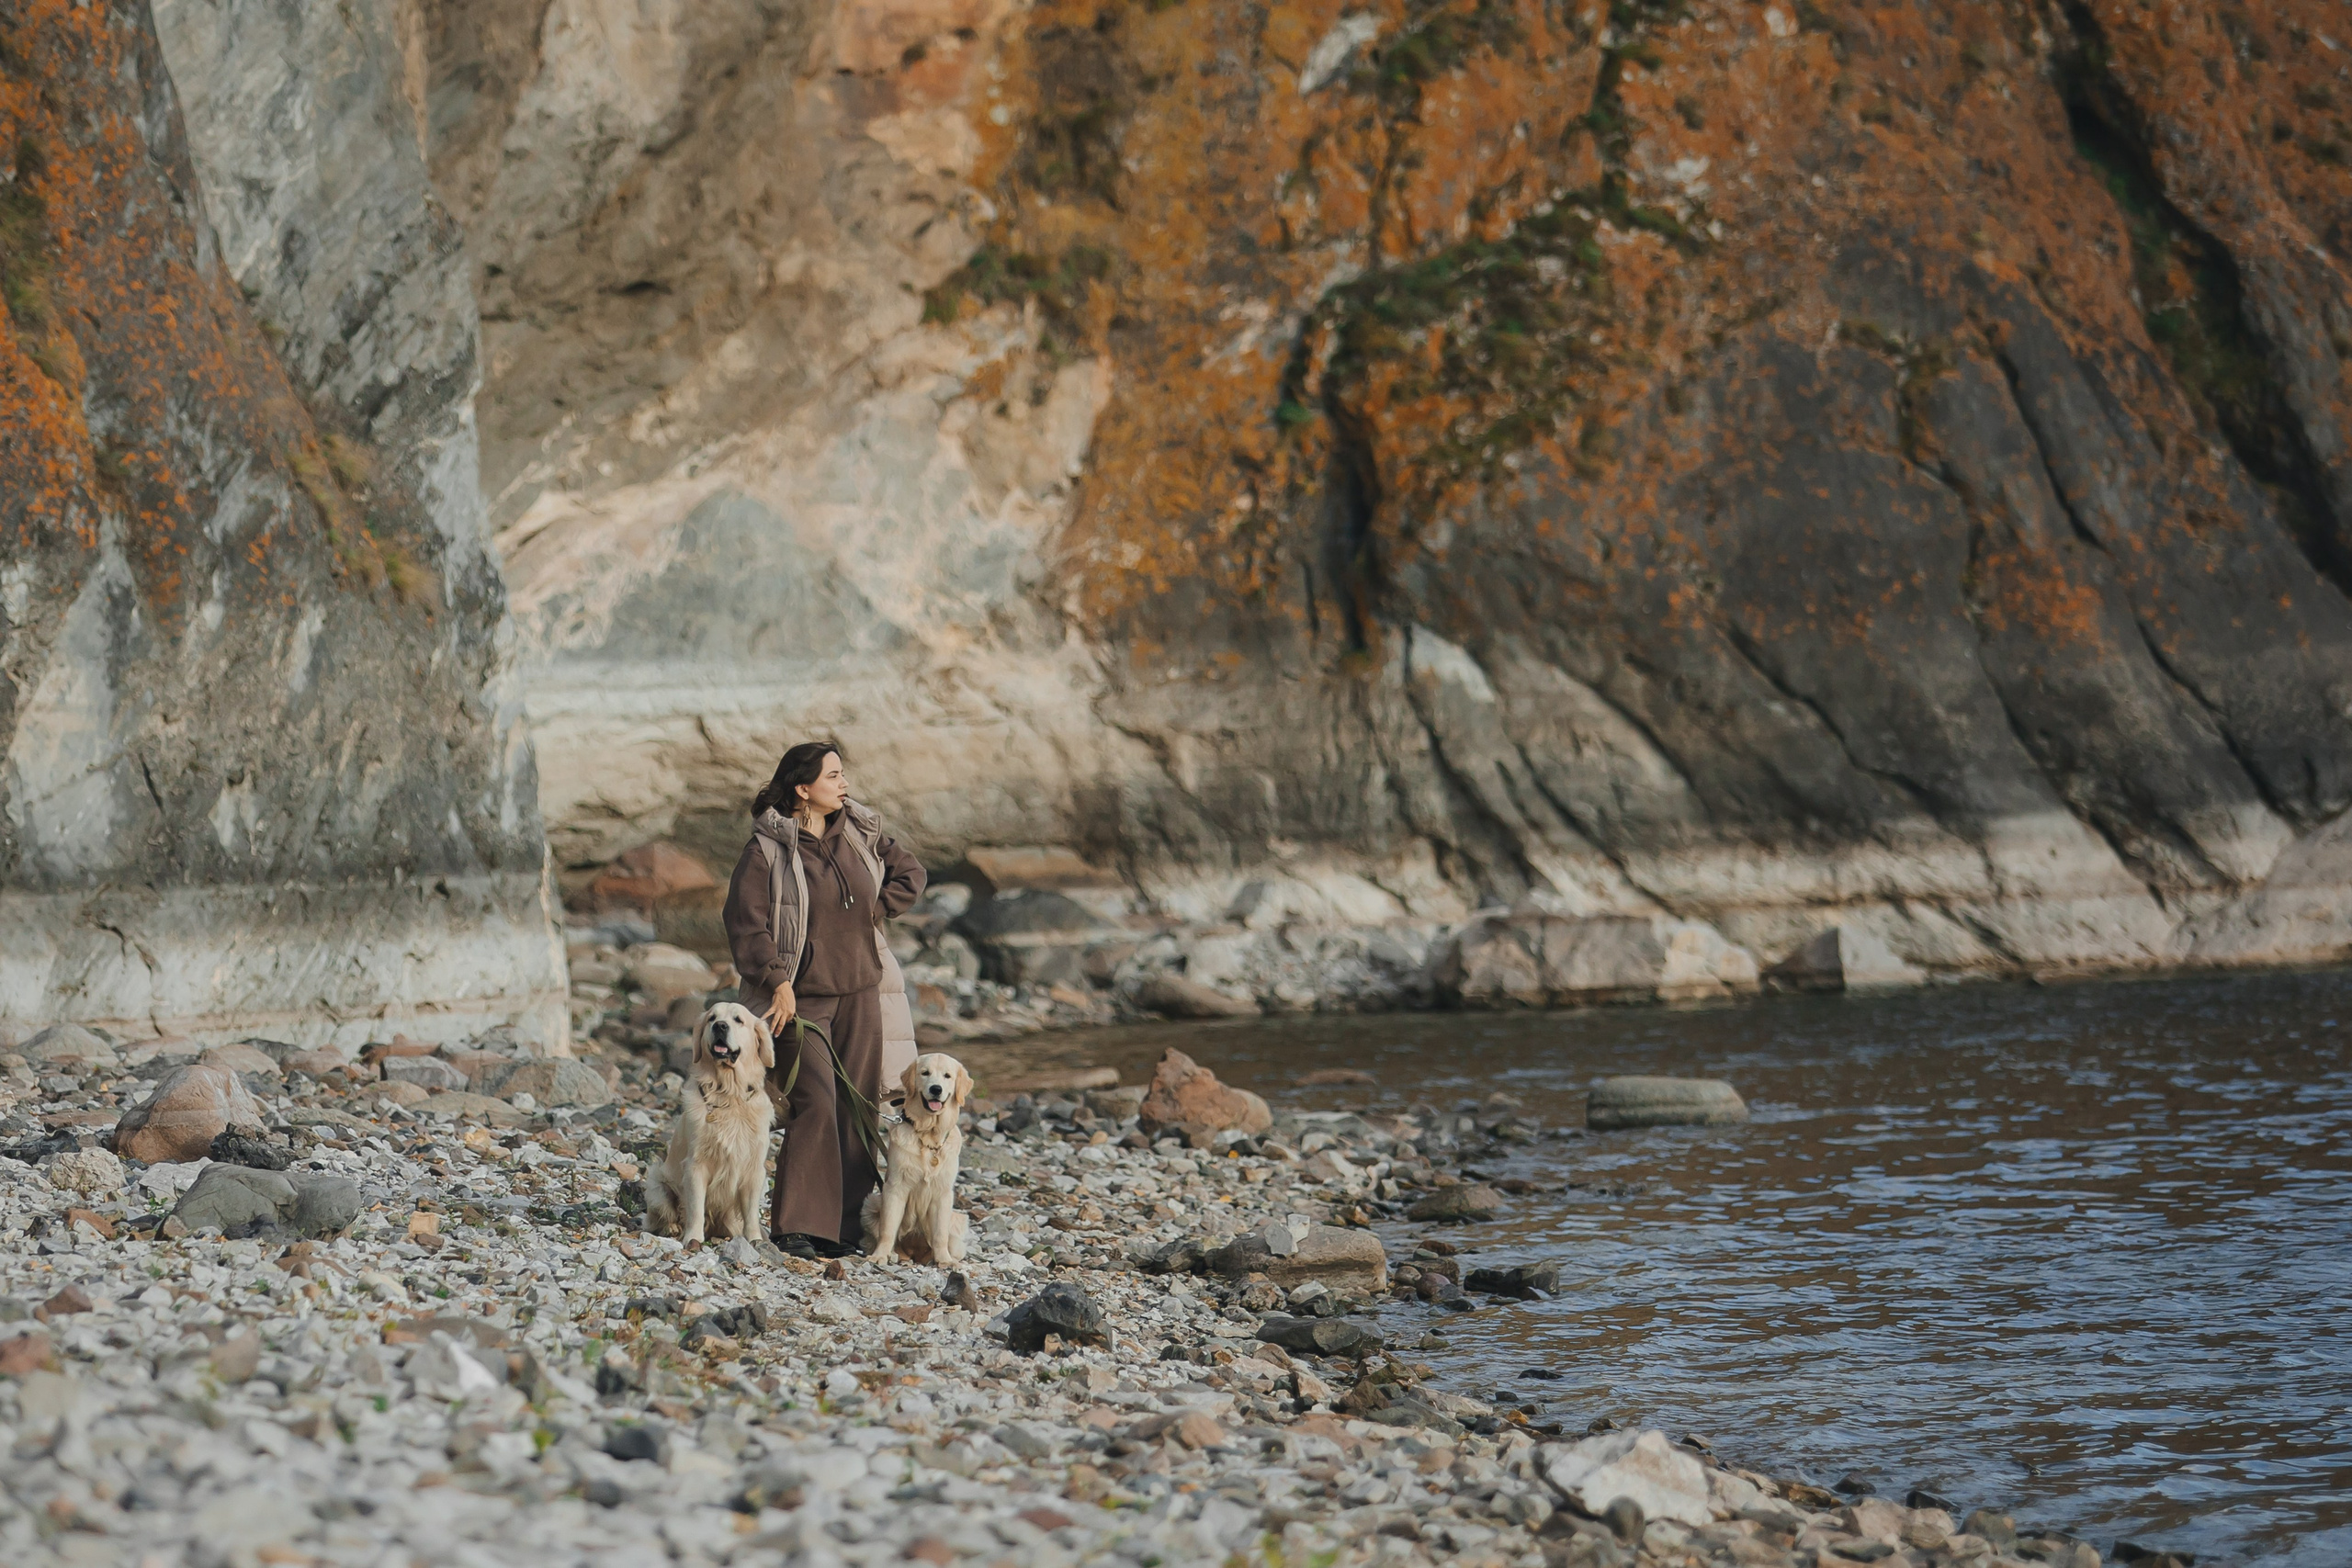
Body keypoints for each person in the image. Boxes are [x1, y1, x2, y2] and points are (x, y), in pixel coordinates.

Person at [722, 741, 925, 1258]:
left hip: (862, 992)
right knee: (813, 1102)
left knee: (857, 1107)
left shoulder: (861, 829)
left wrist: (874, 912)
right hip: (798, 1000)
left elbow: (912, 873)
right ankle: (796, 1227)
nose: (844, 783)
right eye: (833, 776)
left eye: (843, 774)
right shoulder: (766, 848)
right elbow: (746, 924)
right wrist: (777, 981)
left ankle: (843, 1229)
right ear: (802, 789)